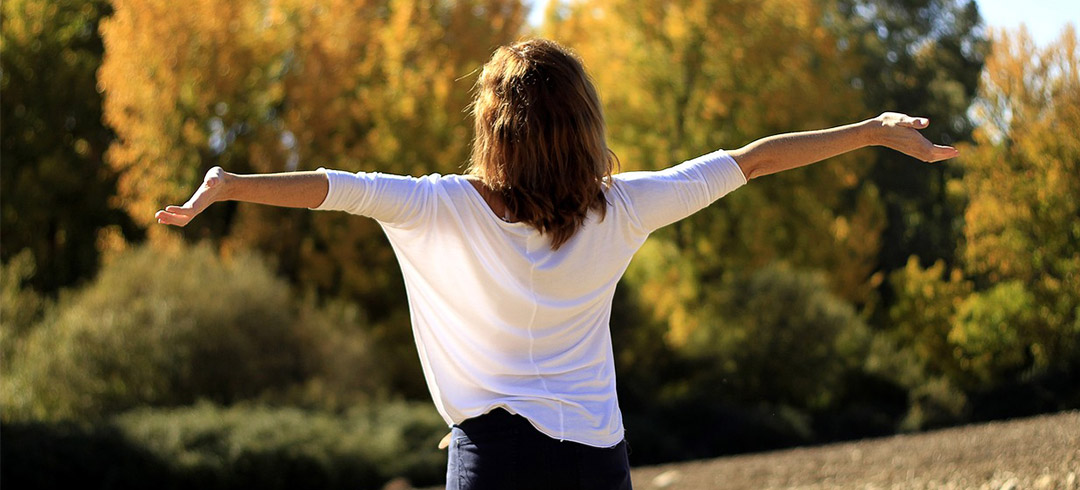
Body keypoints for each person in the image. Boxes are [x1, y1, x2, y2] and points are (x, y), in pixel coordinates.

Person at [156, 38, 958, 490]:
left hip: (493, 465)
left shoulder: (440, 206)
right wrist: (871, 128)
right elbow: (749, 161)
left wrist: (228, 187)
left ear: (491, 128)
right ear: (583, 125)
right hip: (595, 465)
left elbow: (331, 188)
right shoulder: (624, 207)